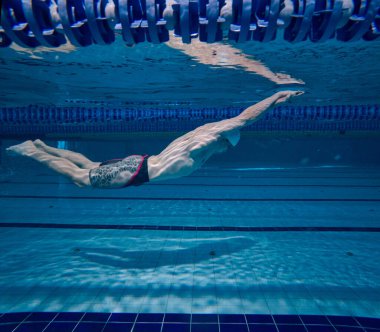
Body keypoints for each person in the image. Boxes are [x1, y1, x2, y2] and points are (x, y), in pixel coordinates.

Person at [6, 90, 303, 189]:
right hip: (137, 172)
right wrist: (276, 98)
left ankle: (42, 146)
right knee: (80, 178)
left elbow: (234, 121)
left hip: (141, 163)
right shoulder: (206, 145)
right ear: (226, 141)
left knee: (90, 164)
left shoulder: (199, 134)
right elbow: (244, 119)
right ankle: (31, 151)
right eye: (228, 146)